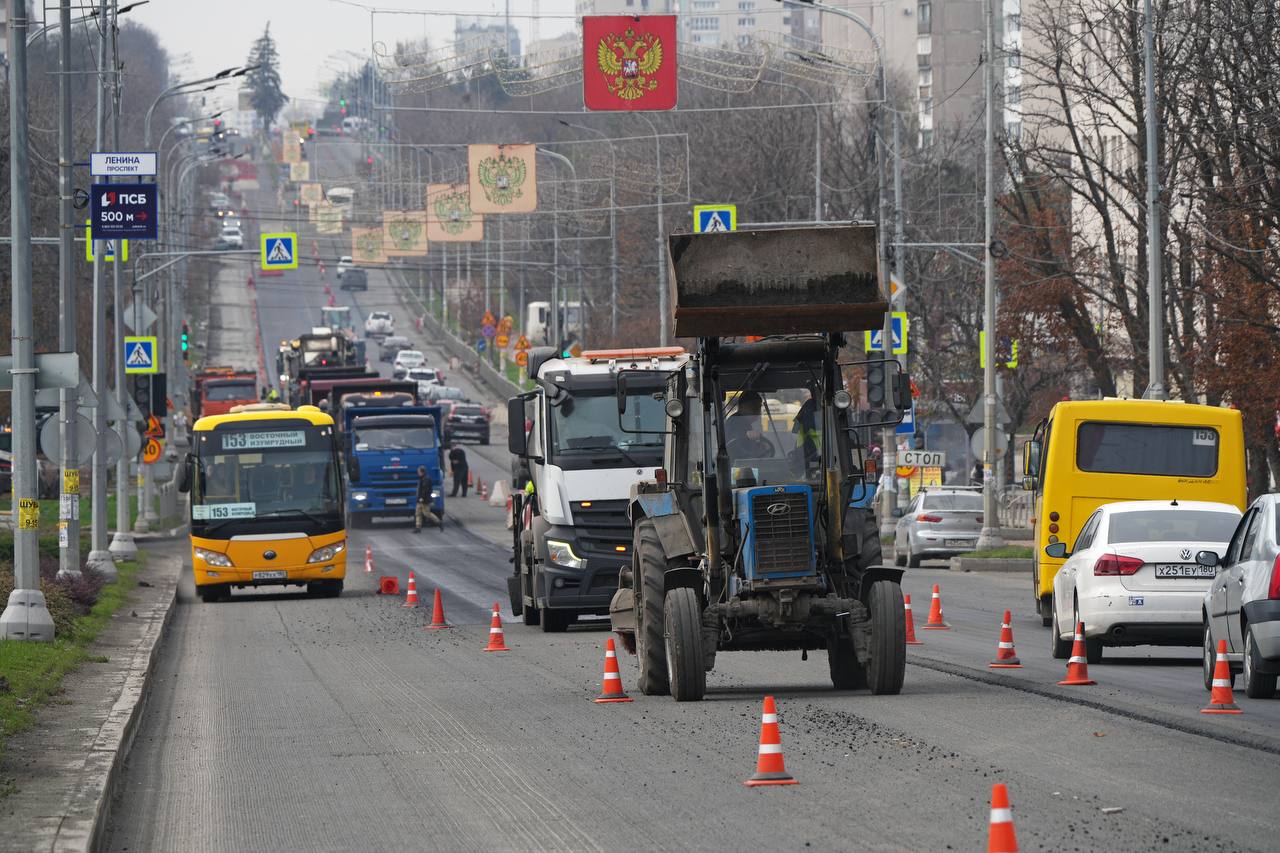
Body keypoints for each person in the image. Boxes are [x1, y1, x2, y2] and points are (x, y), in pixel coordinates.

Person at [413, 466, 439, 532]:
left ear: (422, 472)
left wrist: (422, 497)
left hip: (424, 500)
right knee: (418, 513)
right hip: (420, 499)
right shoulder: (422, 478)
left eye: (418, 471)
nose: (418, 473)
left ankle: (438, 522)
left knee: (426, 513)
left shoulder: (426, 479)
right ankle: (418, 527)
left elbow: (425, 490)